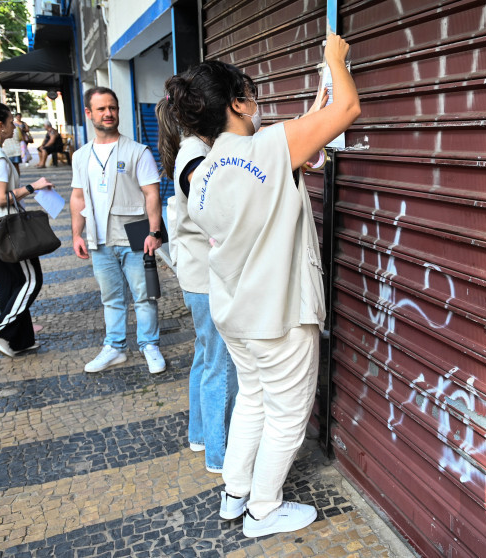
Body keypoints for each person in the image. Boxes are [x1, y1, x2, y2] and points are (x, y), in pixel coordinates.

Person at [170, 34, 360, 537]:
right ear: (236, 103)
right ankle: (264, 510)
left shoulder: (199, 174)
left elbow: (290, 147)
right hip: (277, 314)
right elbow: (348, 107)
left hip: (234, 312)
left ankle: (235, 494)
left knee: (252, 400)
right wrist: (335, 61)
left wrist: (312, 107)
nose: (256, 104)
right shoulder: (270, 148)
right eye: (250, 95)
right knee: (287, 414)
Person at [154, 102, 238, 473]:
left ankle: (201, 435)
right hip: (206, 278)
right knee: (220, 365)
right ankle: (220, 455)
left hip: (195, 275)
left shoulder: (191, 149)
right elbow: (214, 212)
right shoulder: (196, 153)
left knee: (205, 359)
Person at [69, 86, 167, 375]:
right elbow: (77, 197)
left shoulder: (138, 152)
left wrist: (154, 232)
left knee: (144, 295)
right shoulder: (81, 156)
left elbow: (152, 194)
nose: (108, 113)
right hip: (98, 238)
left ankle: (150, 345)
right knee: (110, 297)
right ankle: (115, 348)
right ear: (89, 114)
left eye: (112, 107)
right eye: (101, 109)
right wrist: (76, 234)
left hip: (135, 234)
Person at [0, 102, 54, 357]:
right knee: (30, 280)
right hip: (5, 232)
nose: (14, 125)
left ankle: (20, 339)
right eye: (11, 121)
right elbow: (0, 198)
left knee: (9, 285)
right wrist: (33, 186)